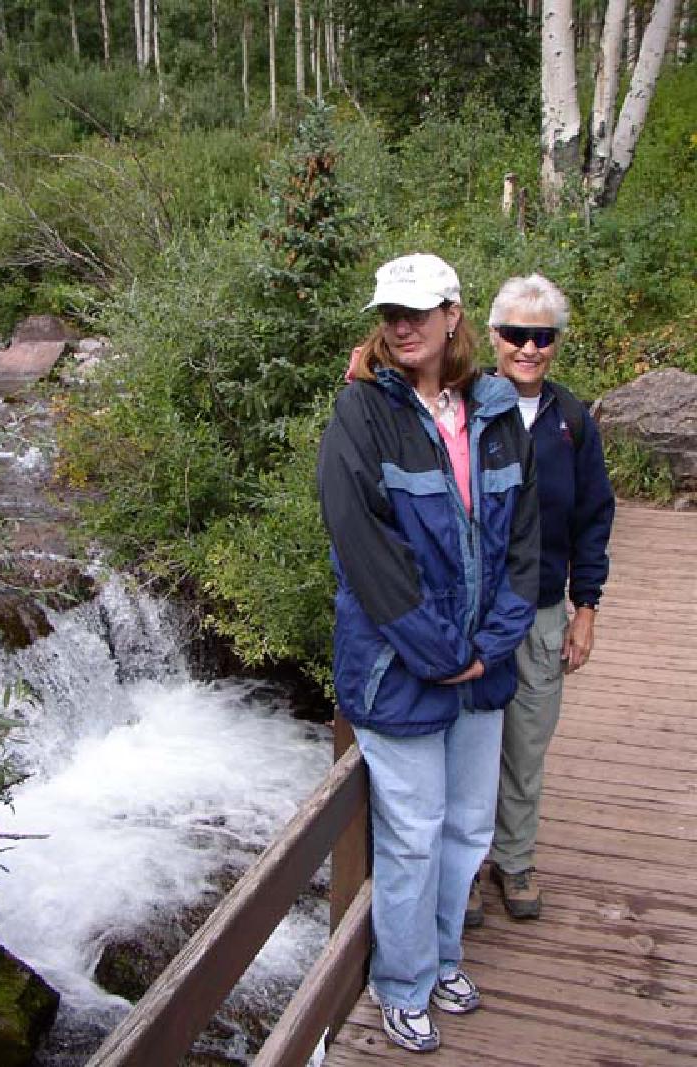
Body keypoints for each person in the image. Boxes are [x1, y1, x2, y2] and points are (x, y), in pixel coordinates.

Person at [316, 253, 539, 1054]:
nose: (400, 325)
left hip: (481, 670)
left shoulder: (495, 410)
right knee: (411, 833)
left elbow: (525, 541)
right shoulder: (362, 415)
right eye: (389, 312)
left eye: (416, 311)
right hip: (400, 671)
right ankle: (402, 983)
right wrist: (443, 651)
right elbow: (365, 551)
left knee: (468, 828)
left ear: (453, 315)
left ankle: (445, 955)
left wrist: (490, 644)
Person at [466, 273, 615, 926]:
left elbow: (594, 516)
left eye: (542, 335)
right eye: (516, 333)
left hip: (542, 609)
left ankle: (515, 858)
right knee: (469, 743)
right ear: (492, 335)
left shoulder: (572, 421)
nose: (529, 347)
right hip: (473, 610)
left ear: (555, 341)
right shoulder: (462, 405)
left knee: (527, 742)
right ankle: (466, 865)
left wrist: (587, 606)